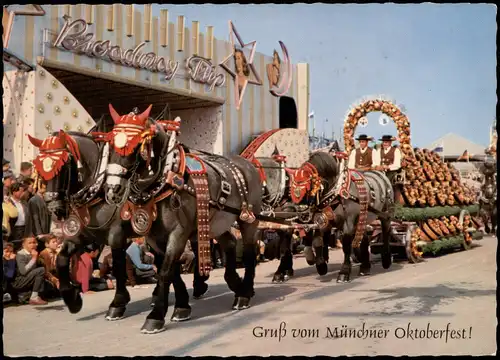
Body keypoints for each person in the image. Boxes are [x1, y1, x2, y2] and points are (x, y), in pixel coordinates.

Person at [12, 237, 48, 305]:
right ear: (23, 245)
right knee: (41, 270)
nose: (33, 245)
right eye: (30, 243)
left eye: (34, 243)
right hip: (19, 281)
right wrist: (34, 258)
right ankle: (34, 297)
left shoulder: (34, 253)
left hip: (28, 278)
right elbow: (23, 272)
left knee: (46, 284)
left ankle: (30, 295)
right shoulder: (20, 254)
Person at [7, 182, 29, 250]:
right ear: (14, 192)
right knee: (15, 248)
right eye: (20, 191)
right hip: (14, 229)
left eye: (23, 191)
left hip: (24, 229)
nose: (22, 193)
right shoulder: (7, 202)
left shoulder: (24, 202)